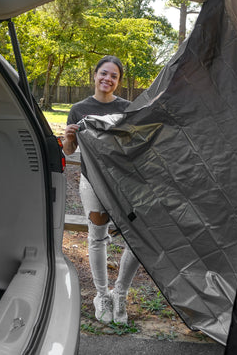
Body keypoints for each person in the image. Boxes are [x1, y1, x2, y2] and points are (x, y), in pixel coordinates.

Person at [62, 55, 140, 325]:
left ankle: (120, 293)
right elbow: (70, 151)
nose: (107, 79)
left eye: (113, 76)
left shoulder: (128, 108)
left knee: (136, 238)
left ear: (118, 81)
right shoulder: (79, 108)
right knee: (97, 237)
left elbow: (136, 145)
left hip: (123, 183)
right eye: (103, 73)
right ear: (94, 75)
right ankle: (102, 295)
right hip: (92, 183)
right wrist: (68, 138)